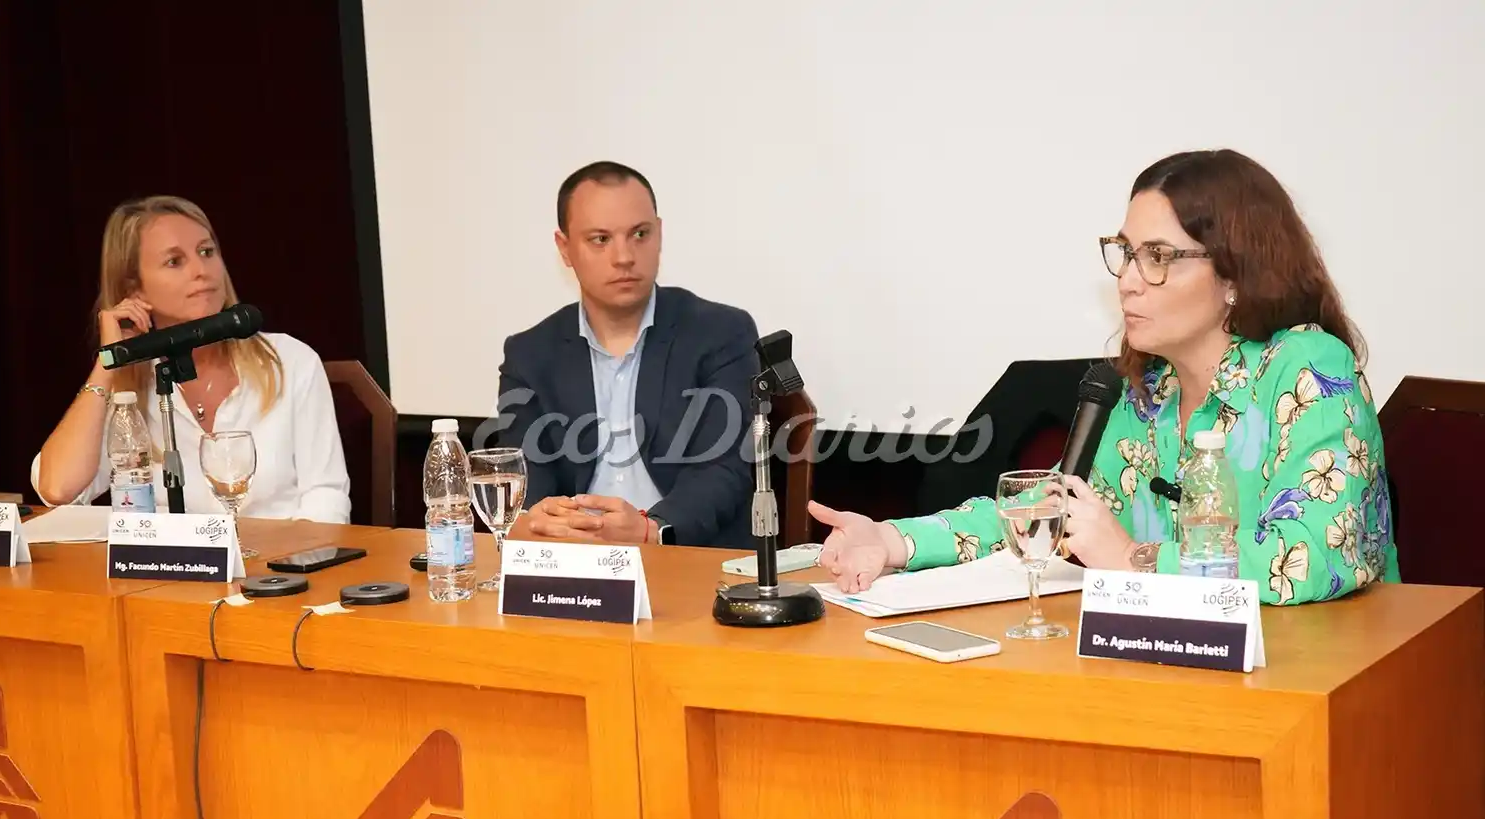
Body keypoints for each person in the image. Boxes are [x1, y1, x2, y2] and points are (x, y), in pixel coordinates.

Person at [810, 149, 1397, 605]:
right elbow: (1046, 516)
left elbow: (1310, 558)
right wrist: (891, 541)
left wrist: (1132, 558)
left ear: (1235, 276)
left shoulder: (1308, 368)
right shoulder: (1150, 395)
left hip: (1317, 684)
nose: (1129, 280)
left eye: (1159, 257)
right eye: (1126, 251)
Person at [32, 195, 351, 523]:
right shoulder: (127, 385)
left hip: (280, 569)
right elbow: (58, 489)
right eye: (175, 261)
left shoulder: (290, 361)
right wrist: (108, 364)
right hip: (167, 571)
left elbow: (326, 497)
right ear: (135, 290)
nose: (202, 271)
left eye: (206, 252)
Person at [497, 161, 759, 549]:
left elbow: (722, 471)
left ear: (659, 234)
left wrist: (650, 529)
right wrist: (557, 527)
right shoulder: (530, 354)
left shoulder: (721, 333)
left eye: (639, 234)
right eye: (600, 239)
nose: (624, 257)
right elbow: (529, 485)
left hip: (687, 561)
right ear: (565, 249)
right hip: (577, 561)